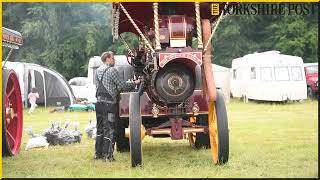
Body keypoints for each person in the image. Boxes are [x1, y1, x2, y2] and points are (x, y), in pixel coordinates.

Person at [94, 51, 140, 162]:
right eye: (113, 58)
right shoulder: (112, 70)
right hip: (109, 104)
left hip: (99, 103)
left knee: (100, 129)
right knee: (110, 129)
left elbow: (105, 86)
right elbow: (123, 85)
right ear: (108, 58)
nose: (114, 60)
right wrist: (135, 82)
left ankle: (98, 154)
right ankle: (108, 156)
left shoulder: (97, 71)